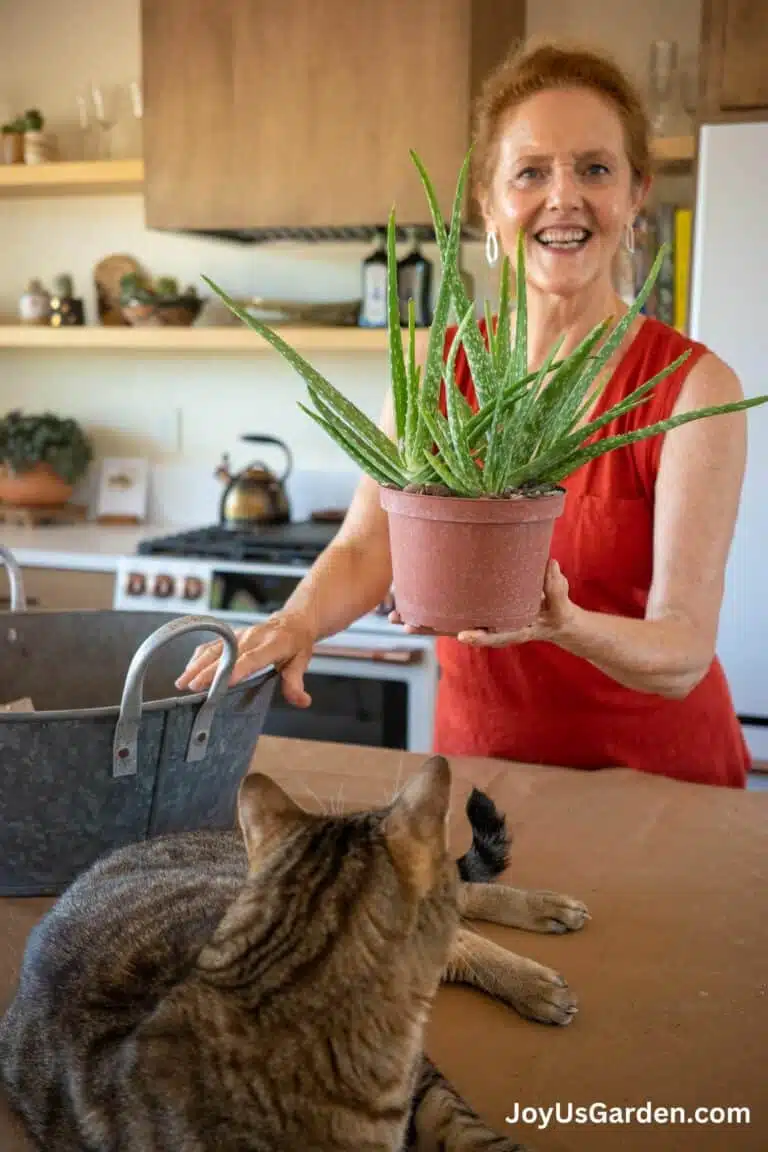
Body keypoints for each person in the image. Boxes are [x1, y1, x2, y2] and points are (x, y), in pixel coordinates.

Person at [176, 38, 750, 789]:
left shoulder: (692, 389)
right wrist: (296, 621)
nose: (564, 197)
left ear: (636, 193)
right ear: (486, 204)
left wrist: (561, 625)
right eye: (531, 173)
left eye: (596, 169)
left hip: (656, 790)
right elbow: (363, 548)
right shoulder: (432, 369)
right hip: (482, 774)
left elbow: (683, 652)